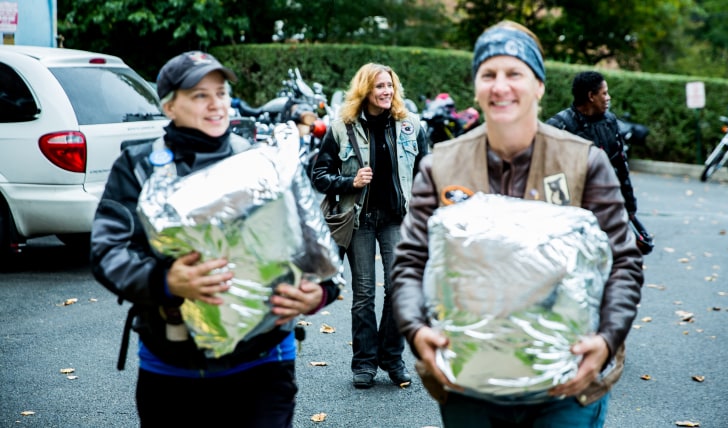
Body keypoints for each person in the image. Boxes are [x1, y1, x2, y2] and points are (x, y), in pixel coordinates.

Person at [391, 21, 643, 427]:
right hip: (468, 383)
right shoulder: (442, 165)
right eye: (488, 74)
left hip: (564, 386)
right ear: (476, 87)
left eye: (515, 73)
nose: (501, 86)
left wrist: (607, 339)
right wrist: (418, 332)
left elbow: (624, 261)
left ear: (539, 85)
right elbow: (410, 262)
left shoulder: (583, 162)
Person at [90, 51, 340, 427]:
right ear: (170, 106)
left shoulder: (261, 161)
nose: (216, 104)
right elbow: (108, 251)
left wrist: (319, 294)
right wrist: (165, 281)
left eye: (221, 93)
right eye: (199, 95)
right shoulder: (138, 166)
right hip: (172, 370)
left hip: (263, 365)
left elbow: (317, 255)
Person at [311, 63, 428, 389]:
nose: (387, 92)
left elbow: (426, 174)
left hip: (395, 220)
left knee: (397, 289)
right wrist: (350, 181)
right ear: (366, 90)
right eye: (379, 87)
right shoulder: (341, 128)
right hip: (359, 221)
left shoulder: (410, 126)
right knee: (363, 295)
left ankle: (392, 358)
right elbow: (319, 177)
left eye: (390, 86)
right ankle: (363, 363)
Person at [545, 70, 638, 217]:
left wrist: (629, 206)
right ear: (591, 96)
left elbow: (620, 165)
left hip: (606, 207)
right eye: (604, 93)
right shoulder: (559, 126)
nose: (608, 98)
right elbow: (548, 176)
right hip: (572, 211)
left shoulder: (610, 122)